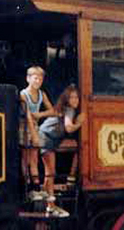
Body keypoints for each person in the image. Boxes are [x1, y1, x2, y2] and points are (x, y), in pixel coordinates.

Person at [39, 84, 86, 217]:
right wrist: (79, 122)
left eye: (76, 97)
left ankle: (70, 177)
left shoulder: (68, 109)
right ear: (66, 99)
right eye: (72, 98)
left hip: (53, 138)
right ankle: (50, 205)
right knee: (51, 172)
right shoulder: (69, 110)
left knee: (78, 145)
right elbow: (69, 128)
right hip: (47, 137)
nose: (75, 100)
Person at [19, 66, 55, 195]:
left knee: (34, 158)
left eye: (40, 78)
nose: (38, 81)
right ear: (28, 79)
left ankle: (35, 186)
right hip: (24, 127)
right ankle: (26, 185)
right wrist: (34, 135)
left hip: (34, 125)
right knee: (25, 158)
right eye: (35, 78)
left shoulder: (42, 94)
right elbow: (27, 115)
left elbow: (52, 111)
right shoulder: (23, 94)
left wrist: (39, 115)